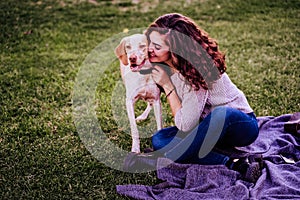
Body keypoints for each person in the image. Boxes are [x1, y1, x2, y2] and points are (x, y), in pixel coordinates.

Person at [123, 13, 264, 183]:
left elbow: (184, 124)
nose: (150, 49)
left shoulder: (197, 70)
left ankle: (161, 158)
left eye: (158, 46)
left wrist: (167, 86)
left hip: (239, 125)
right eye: (150, 43)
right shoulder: (166, 66)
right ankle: (235, 163)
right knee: (159, 139)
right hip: (206, 127)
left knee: (220, 114)